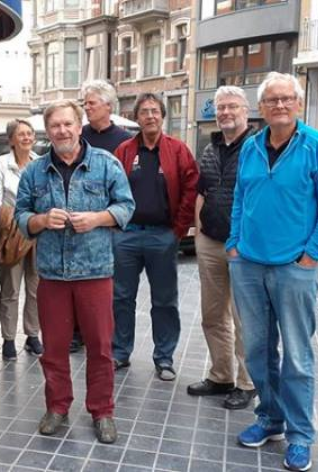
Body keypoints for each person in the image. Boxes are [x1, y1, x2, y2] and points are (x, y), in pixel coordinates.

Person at [227, 72, 318, 472]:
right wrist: (234, 243)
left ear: (298, 103)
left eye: (286, 98)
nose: (279, 105)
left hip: (294, 268)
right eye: (271, 100)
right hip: (248, 264)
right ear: (261, 108)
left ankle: (300, 435)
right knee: (257, 352)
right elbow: (240, 196)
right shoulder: (251, 146)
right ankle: (270, 418)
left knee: (297, 356)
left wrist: (311, 255)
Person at [15, 100, 134, 444]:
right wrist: (40, 220)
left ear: (79, 126)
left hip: (95, 272)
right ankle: (57, 407)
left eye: (68, 124)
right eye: (55, 125)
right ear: (48, 130)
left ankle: (102, 411)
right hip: (52, 274)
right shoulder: (35, 171)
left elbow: (126, 206)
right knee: (54, 348)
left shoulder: (106, 164)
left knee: (100, 348)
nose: (62, 131)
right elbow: (21, 216)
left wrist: (97, 218)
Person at [112, 92, 198, 381]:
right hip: (126, 236)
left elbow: (191, 189)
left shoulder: (178, 150)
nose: (150, 116)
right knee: (121, 297)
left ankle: (164, 358)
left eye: (155, 111)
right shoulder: (124, 151)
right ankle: (119, 352)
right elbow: (109, 188)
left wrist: (178, 230)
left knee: (164, 301)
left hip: (163, 236)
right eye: (144, 111)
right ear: (137, 118)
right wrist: (115, 227)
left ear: (163, 116)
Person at [187, 86, 257, 410]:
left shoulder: (257, 147)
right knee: (213, 314)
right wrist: (198, 234)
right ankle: (221, 375)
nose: (225, 112)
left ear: (246, 110)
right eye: (220, 107)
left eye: (232, 106)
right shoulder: (210, 148)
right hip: (210, 242)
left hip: (244, 247)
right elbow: (201, 191)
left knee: (244, 319)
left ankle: (247, 383)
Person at [66, 80, 132, 354]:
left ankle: (105, 336)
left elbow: (127, 187)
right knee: (75, 280)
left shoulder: (125, 140)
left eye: (91, 103)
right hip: (76, 223)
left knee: (108, 286)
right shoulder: (77, 135)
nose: (87, 108)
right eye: (84, 103)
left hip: (110, 225)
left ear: (108, 105)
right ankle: (76, 333)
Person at [0, 119, 42, 361]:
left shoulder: (40, 163)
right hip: (11, 232)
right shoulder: (1, 164)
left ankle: (32, 335)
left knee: (36, 288)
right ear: (11, 139)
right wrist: (14, 219)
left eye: (29, 133)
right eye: (21, 134)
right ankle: (8, 339)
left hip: (38, 231)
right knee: (10, 288)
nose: (27, 138)